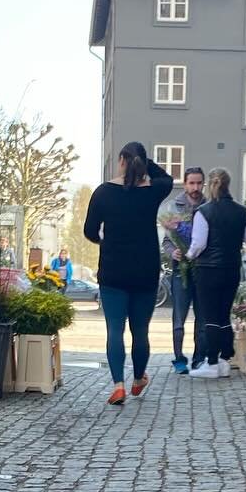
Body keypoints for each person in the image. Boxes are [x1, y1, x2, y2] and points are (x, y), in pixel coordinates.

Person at [83, 142, 173, 405]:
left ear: (121, 160)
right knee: (140, 331)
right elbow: (166, 178)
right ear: (143, 163)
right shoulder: (154, 190)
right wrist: (145, 166)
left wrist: (105, 243)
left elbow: (89, 231)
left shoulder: (102, 193)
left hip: (113, 271)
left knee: (114, 330)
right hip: (145, 271)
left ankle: (118, 385)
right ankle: (138, 379)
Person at [187, 167, 246, 380]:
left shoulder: (204, 212)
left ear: (210, 185)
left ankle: (210, 361)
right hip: (231, 269)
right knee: (224, 315)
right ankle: (224, 360)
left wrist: (188, 255)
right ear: (228, 184)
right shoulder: (242, 212)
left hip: (208, 270)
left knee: (210, 316)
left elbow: (198, 244)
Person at [161, 166, 204, 373]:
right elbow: (166, 242)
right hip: (180, 270)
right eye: (191, 183)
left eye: (199, 183)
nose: (195, 187)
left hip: (202, 269)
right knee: (179, 319)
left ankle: (198, 359)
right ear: (185, 184)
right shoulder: (174, 207)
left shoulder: (208, 206)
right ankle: (179, 360)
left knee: (202, 319)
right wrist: (173, 252)